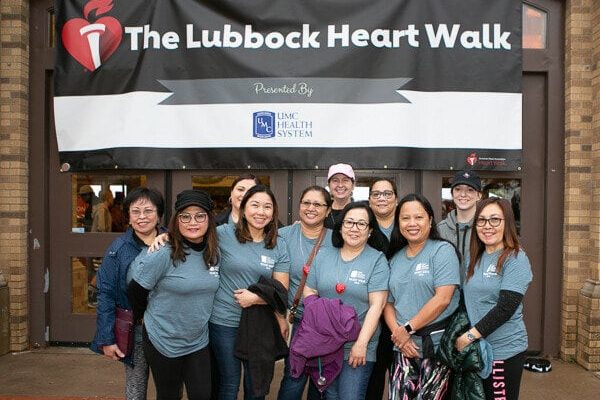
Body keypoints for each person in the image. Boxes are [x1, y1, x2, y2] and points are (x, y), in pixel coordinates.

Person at [128, 189, 221, 400]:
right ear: (176, 220)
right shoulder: (163, 252)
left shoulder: (215, 252)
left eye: (200, 215)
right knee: (169, 395)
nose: (192, 222)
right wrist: (143, 317)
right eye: (185, 216)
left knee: (202, 395)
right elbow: (136, 291)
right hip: (163, 339)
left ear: (209, 219)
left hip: (197, 340)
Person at [209, 185, 290, 400]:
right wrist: (164, 238)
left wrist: (256, 298)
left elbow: (281, 289)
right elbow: (190, 236)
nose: (260, 212)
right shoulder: (223, 234)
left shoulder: (278, 244)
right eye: (254, 205)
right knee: (229, 382)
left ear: (273, 213)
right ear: (243, 208)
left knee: (255, 386)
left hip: (259, 325)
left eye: (267, 207)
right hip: (225, 321)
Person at [303, 202, 389, 400]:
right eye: (349, 222)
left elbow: (377, 305)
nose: (354, 228)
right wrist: (322, 318)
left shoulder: (377, 260)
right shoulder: (323, 255)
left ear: (369, 231)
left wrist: (362, 343)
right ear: (340, 226)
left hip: (357, 345)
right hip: (325, 343)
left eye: (361, 224)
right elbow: (310, 290)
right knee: (330, 395)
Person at [91, 187, 166, 400]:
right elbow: (105, 293)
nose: (142, 217)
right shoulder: (119, 248)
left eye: (148, 211)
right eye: (136, 211)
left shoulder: (174, 242)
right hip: (137, 330)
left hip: (168, 329)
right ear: (129, 216)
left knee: (169, 388)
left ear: (159, 214)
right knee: (135, 389)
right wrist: (106, 338)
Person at [384, 193, 461, 398]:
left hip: (435, 348)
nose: (412, 223)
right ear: (398, 222)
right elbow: (388, 303)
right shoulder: (395, 258)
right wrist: (400, 337)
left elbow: (443, 299)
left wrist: (408, 328)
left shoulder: (442, 251)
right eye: (405, 218)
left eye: (418, 217)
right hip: (403, 348)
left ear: (430, 219)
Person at [455, 198, 532, 400]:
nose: (487, 226)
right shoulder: (476, 257)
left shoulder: (515, 257)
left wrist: (469, 336)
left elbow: (505, 308)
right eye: (481, 220)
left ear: (507, 223)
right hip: (480, 351)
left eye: (495, 220)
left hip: (503, 351)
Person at [277, 185, 333, 400]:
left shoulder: (338, 239)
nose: (311, 208)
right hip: (297, 320)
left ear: (328, 210)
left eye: (318, 204)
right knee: (294, 377)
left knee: (321, 381)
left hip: (326, 325)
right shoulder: (282, 235)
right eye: (306, 203)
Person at [365, 178, 398, 400]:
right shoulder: (362, 225)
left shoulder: (408, 224)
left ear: (396, 199)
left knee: (402, 378)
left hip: (402, 313)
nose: (382, 198)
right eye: (376, 194)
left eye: (387, 193)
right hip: (370, 313)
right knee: (373, 380)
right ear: (369, 200)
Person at [438, 170, 483, 282]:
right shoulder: (440, 229)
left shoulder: (486, 228)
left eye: (470, 190)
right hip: (448, 295)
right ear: (452, 194)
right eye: (458, 189)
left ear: (479, 196)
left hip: (477, 295)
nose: (463, 195)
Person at [324, 163, 355, 229]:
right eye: (335, 180)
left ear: (353, 185)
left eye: (345, 180)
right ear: (329, 185)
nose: (340, 185)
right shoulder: (322, 211)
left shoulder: (362, 211)